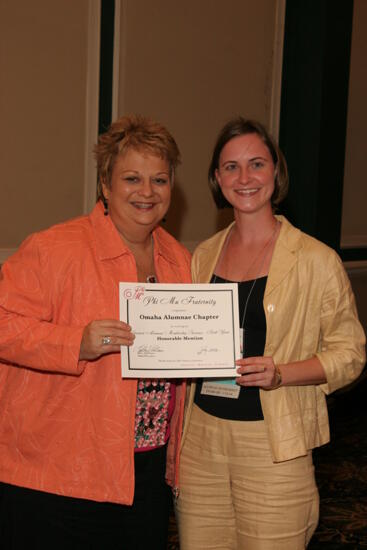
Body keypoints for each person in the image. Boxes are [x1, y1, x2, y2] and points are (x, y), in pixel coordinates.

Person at [0, 115, 191, 549]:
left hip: (145, 469)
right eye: (132, 178)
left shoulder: (179, 260)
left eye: (159, 179)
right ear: (105, 184)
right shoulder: (55, 249)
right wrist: (75, 342)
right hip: (58, 472)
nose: (147, 192)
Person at [176, 117, 365, 550]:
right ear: (216, 178)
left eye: (256, 164)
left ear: (276, 172)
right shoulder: (201, 256)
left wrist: (283, 373)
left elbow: (350, 353)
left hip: (274, 443)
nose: (244, 178)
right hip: (201, 442)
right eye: (230, 167)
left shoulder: (316, 260)